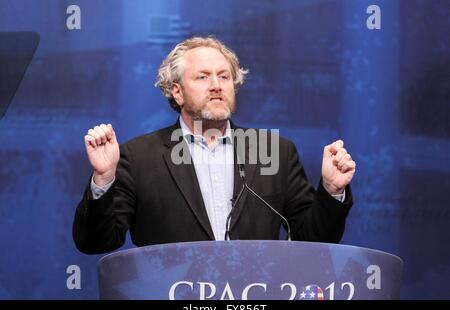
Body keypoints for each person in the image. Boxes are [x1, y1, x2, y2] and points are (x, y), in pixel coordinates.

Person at [73, 36, 356, 254]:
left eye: (224, 76)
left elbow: (313, 242)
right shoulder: (138, 157)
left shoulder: (274, 152)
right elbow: (96, 242)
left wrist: (331, 191)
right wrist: (103, 179)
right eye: (202, 77)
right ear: (177, 92)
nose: (217, 85)